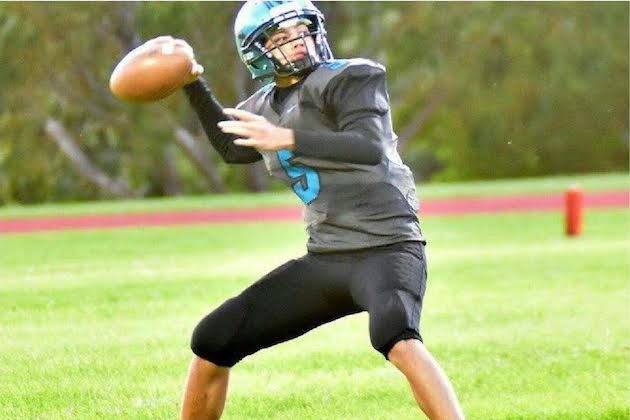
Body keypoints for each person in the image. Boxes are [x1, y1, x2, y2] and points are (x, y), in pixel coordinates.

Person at [174, 1, 464, 418]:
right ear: (258, 51)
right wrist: (192, 83)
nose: (297, 41)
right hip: (326, 257)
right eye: (281, 37)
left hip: (387, 248)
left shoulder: (351, 78)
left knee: (397, 336)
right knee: (213, 339)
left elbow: (367, 146)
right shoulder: (264, 105)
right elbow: (233, 150)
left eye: (300, 30)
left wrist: (288, 138)